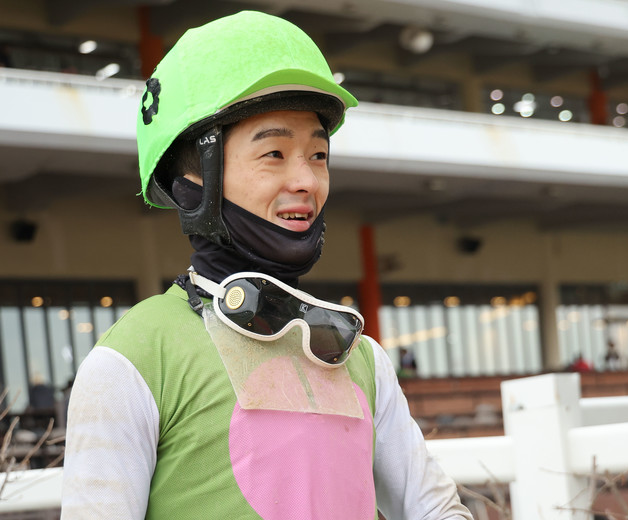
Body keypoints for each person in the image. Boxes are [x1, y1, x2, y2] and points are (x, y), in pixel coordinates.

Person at [61, 11, 473, 520]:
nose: (307, 181)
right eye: (274, 153)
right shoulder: (134, 358)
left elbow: (436, 510)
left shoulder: (362, 358)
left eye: (318, 155)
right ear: (193, 183)